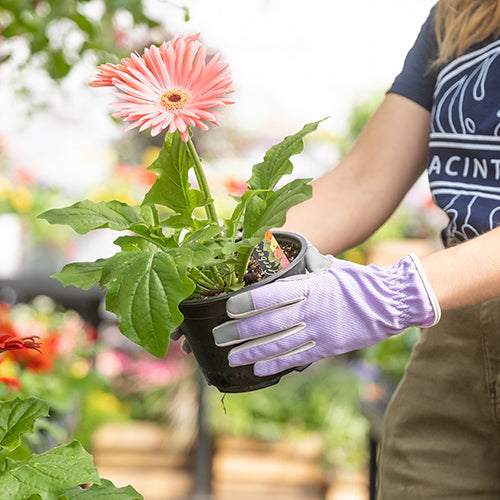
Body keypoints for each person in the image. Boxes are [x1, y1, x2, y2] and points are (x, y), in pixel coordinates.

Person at [210, 1, 500, 498]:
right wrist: (223, 258)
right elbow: (364, 181)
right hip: (459, 334)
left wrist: (399, 293)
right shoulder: (464, 11)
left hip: (435, 290)